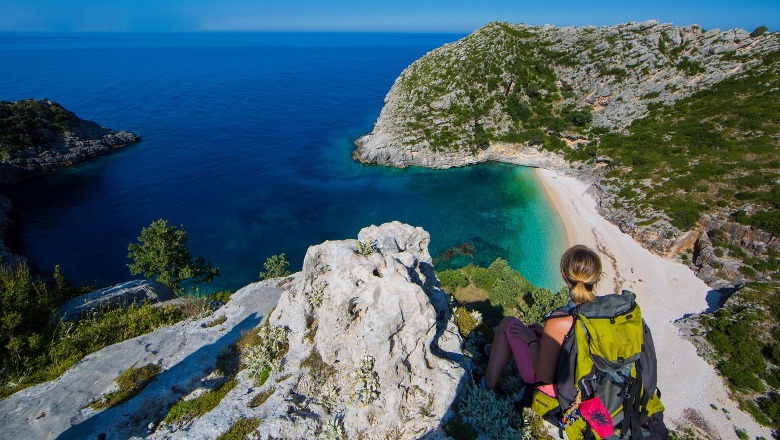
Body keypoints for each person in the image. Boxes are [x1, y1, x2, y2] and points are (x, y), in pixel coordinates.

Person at [483, 244, 602, 393]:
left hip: (558, 384)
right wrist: (544, 333)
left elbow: (545, 375)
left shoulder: (559, 321)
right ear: (597, 278)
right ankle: (489, 349)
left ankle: (487, 386)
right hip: (592, 381)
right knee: (530, 332)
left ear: (563, 276)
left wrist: (532, 340)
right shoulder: (607, 311)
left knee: (508, 324)